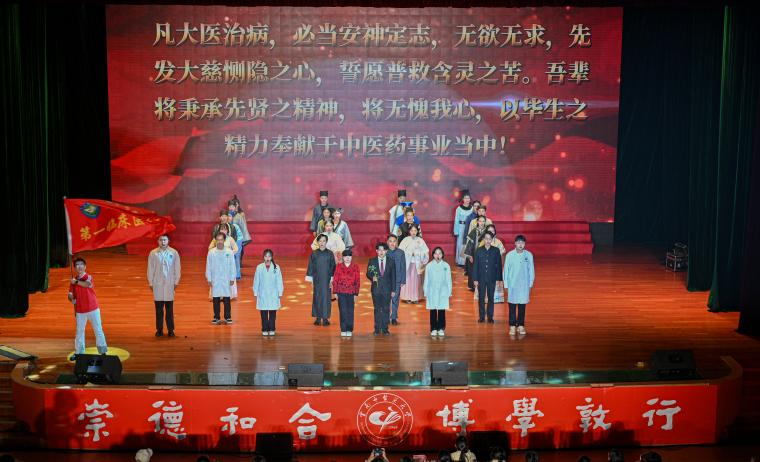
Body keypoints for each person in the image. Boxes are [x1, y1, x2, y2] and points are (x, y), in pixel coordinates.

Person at [68, 257, 108, 359]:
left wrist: (75, 282)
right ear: (75, 268)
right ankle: (79, 352)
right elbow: (70, 294)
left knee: (98, 330)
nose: (79, 266)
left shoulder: (88, 277)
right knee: (79, 332)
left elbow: (86, 284)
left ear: (85, 267)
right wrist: (71, 299)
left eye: (81, 264)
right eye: (77, 265)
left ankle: (103, 352)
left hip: (93, 308)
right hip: (80, 310)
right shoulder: (73, 281)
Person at [147, 235, 181, 337]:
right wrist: (150, 283)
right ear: (158, 241)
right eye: (161, 240)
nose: (163, 242)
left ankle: (171, 330)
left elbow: (177, 268)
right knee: (158, 309)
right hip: (157, 284)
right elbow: (150, 269)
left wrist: (176, 282)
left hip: (169, 284)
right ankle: (159, 330)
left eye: (165, 240)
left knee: (169, 309)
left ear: (168, 241)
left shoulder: (174, 253)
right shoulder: (153, 253)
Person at [504, 234, 535, 336]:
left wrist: (530, 284)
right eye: (518, 243)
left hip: (524, 284)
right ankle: (512, 325)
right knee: (512, 306)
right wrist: (506, 284)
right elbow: (506, 271)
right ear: (515, 243)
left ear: (524, 244)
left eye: (522, 243)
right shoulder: (510, 255)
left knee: (522, 305)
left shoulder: (528, 255)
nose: (520, 245)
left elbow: (531, 271)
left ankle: (521, 325)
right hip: (512, 284)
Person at [206, 233, 236, 325]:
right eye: (218, 240)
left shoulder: (229, 252)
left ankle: (228, 317)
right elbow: (208, 266)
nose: (219, 241)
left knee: (227, 298)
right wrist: (209, 278)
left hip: (226, 278)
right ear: (215, 240)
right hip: (215, 278)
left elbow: (232, 266)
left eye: (221, 239)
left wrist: (232, 278)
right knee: (216, 298)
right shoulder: (211, 253)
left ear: (224, 240)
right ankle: (216, 317)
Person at [306, 234, 336, 326]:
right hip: (317, 279)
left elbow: (333, 267)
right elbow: (311, 267)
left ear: (326, 242)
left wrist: (331, 279)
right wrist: (311, 280)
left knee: (326, 298)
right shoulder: (314, 254)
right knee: (317, 297)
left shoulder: (330, 254)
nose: (322, 243)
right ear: (317, 242)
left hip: (327, 280)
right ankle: (318, 317)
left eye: (324, 241)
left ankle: (325, 318)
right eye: (320, 241)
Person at [367, 242, 396, 335]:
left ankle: (385, 328)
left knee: (386, 309)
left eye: (383, 250)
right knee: (377, 309)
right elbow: (368, 273)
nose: (381, 252)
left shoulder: (391, 261)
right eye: (379, 250)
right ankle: (377, 328)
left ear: (386, 251)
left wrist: (393, 290)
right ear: (376, 251)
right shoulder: (372, 261)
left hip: (387, 289)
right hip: (376, 289)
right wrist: (372, 277)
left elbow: (393, 277)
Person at [473, 231, 503, 323]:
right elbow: (475, 265)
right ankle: (481, 316)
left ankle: (490, 316)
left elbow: (498, 265)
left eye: (490, 239)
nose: (488, 241)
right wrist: (475, 279)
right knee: (481, 298)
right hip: (481, 278)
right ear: (483, 239)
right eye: (486, 238)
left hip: (492, 278)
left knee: (491, 297)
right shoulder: (478, 250)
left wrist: (499, 279)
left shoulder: (496, 250)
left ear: (492, 240)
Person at [253, 249, 283, 336]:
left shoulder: (276, 267)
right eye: (266, 256)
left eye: (269, 256)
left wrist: (280, 292)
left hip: (273, 293)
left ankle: (272, 328)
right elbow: (256, 280)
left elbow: (279, 281)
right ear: (263, 257)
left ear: (272, 257)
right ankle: (265, 328)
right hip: (262, 293)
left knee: (273, 312)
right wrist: (255, 292)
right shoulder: (259, 267)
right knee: (264, 312)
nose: (267, 258)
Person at [424, 247, 452, 337]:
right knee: (432, 310)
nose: (438, 255)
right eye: (436, 253)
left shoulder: (446, 266)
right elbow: (426, 280)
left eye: (439, 253)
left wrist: (449, 291)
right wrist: (425, 291)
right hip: (431, 290)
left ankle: (441, 328)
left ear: (442, 255)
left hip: (443, 290)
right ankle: (433, 328)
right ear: (433, 255)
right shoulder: (429, 266)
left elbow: (449, 280)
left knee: (441, 309)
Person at [475, 225, 506, 303]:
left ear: (495, 232)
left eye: (493, 230)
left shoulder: (498, 242)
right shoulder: (482, 242)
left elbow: (502, 253)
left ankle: (496, 299)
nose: (491, 232)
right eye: (489, 230)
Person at [332, 249, 360, 337]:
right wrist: (335, 292)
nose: (347, 258)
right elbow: (335, 280)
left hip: (351, 292)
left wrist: (356, 293)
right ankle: (343, 329)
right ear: (343, 258)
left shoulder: (355, 267)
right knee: (343, 311)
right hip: (341, 292)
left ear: (351, 257)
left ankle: (349, 329)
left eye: (349, 256)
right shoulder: (338, 266)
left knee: (350, 311)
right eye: (345, 256)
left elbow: (357, 281)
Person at [398, 224, 429, 304]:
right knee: (408, 280)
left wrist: (417, 253)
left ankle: (416, 297)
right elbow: (400, 251)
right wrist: (409, 253)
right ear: (409, 231)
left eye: (415, 230)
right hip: (408, 264)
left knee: (416, 281)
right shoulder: (405, 240)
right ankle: (407, 297)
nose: (413, 232)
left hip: (416, 264)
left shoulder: (420, 240)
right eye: (412, 230)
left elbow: (425, 251)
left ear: (417, 231)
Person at [208, 222, 238, 299]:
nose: (223, 231)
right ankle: (218, 296)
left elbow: (236, 249)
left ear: (227, 231)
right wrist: (216, 252)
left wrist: (229, 254)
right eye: (221, 229)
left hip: (227, 262)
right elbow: (210, 248)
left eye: (225, 229)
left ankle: (228, 295)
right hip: (218, 263)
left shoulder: (230, 239)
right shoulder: (215, 239)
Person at [463, 215, 488, 291]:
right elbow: (469, 244)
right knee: (473, 270)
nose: (481, 223)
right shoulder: (474, 231)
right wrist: (470, 255)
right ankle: (473, 286)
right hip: (475, 253)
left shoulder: (487, 232)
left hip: (485, 253)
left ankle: (483, 285)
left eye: (483, 221)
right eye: (480, 221)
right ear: (477, 222)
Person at [386, 234, 406, 325]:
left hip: (397, 280)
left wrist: (403, 280)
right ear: (387, 242)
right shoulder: (385, 252)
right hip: (387, 280)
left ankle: (394, 317)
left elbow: (403, 266)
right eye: (390, 241)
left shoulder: (401, 252)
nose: (392, 243)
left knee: (395, 299)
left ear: (397, 242)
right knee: (387, 299)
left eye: (394, 241)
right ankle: (386, 317)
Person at [228, 197, 250, 279]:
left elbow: (244, 228)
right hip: (229, 238)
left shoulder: (239, 216)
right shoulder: (227, 215)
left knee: (237, 256)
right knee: (230, 256)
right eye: (230, 206)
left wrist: (244, 240)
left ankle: (237, 274)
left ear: (235, 207)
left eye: (232, 206)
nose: (231, 208)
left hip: (238, 239)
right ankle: (230, 273)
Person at [453, 189, 474, 267]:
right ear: (462, 199)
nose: (467, 200)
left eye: (468, 198)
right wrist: (456, 231)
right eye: (465, 198)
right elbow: (456, 220)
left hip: (469, 227)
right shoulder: (459, 209)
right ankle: (461, 261)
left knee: (468, 244)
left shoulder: (472, 208)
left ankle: (467, 261)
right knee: (461, 244)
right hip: (461, 228)